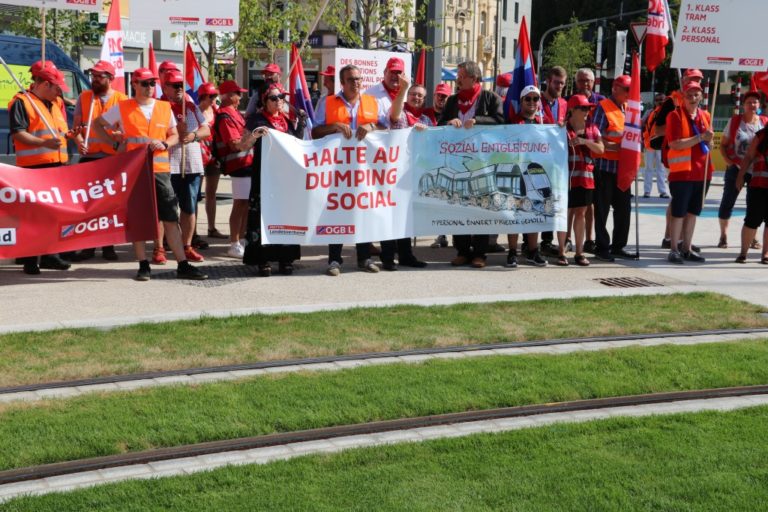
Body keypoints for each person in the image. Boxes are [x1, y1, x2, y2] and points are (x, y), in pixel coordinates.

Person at [93, 68, 207, 281]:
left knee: (170, 217)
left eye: (152, 83)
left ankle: (182, 264)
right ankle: (143, 265)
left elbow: (174, 134)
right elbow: (98, 124)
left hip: (160, 170)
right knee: (139, 219)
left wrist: (165, 143)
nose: (150, 87)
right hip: (135, 171)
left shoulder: (163, 107)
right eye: (145, 83)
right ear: (134, 84)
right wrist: (113, 143)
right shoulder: (123, 107)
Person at [312, 64, 390, 276]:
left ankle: (364, 258)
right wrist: (334, 126)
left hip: (365, 168)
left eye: (358, 79)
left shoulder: (372, 102)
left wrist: (371, 126)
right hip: (337, 168)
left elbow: (386, 126)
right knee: (336, 210)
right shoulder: (327, 102)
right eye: (351, 79)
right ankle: (334, 260)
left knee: (363, 209)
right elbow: (315, 132)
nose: (356, 82)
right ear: (342, 83)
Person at [439, 60, 504, 268]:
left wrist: (478, 120)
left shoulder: (490, 98)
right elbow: (440, 124)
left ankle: (480, 253)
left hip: (482, 162)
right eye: (458, 76)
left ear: (474, 78)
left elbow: (500, 121)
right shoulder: (452, 101)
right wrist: (449, 123)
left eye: (461, 76)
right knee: (459, 205)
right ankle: (462, 251)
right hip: (457, 161)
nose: (457, 80)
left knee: (482, 206)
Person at [8, 62, 72, 275]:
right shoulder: (22, 102)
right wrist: (44, 144)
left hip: (57, 165)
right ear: (45, 84)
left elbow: (60, 132)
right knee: (32, 216)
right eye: (57, 88)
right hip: (34, 168)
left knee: (52, 214)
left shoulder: (55, 103)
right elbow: (19, 133)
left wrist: (72, 135)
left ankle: (49, 255)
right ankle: (29, 259)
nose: (60, 92)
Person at [244, 83, 304, 276]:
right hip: (264, 176)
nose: (279, 101)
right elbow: (242, 145)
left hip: (284, 178)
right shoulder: (256, 119)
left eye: (281, 97)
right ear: (264, 101)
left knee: (284, 216)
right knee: (262, 216)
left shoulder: (287, 120)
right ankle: (263, 259)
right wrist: (255, 135)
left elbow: (297, 144)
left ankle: (286, 258)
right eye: (274, 98)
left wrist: (301, 124)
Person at [71, 60, 128, 262]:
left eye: (99, 76)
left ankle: (108, 245)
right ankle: (88, 246)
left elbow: (128, 130)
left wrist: (119, 137)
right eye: (93, 75)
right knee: (89, 205)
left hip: (112, 159)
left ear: (110, 78)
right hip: (89, 158)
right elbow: (76, 128)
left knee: (110, 205)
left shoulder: (122, 100)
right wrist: (79, 142)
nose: (94, 79)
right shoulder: (84, 97)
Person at [378, 74, 431, 271]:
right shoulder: (400, 112)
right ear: (407, 96)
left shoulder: (426, 119)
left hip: (414, 174)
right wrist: (403, 89)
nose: (416, 98)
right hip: (394, 172)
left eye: (420, 96)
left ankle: (406, 255)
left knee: (407, 216)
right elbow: (393, 117)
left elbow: (433, 143)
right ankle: (387, 256)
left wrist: (426, 134)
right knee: (390, 214)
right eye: (413, 94)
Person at [162, 70, 211, 263]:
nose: (179, 89)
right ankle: (161, 247)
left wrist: (193, 135)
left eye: (181, 85)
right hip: (168, 164)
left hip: (191, 163)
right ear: (165, 87)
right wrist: (175, 133)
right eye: (175, 85)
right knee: (165, 208)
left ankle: (187, 245)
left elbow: (206, 129)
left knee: (189, 207)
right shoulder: (161, 106)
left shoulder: (190, 105)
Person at [664, 80, 713, 264]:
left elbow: (709, 144)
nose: (693, 98)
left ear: (701, 96)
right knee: (678, 213)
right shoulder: (675, 116)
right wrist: (700, 137)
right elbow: (674, 144)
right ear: (682, 97)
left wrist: (708, 140)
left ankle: (687, 248)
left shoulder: (705, 115)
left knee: (693, 212)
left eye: (696, 94)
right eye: (689, 95)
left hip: (703, 172)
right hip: (682, 173)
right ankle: (674, 249)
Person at [655, 68, 704, 250]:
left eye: (698, 79)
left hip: (694, 162)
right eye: (691, 78)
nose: (695, 81)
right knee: (678, 201)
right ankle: (670, 238)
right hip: (676, 157)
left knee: (687, 204)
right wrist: (676, 125)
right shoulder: (671, 102)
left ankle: (684, 240)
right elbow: (657, 130)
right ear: (683, 80)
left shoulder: (700, 107)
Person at [212, 80, 261, 259]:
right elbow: (234, 144)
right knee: (240, 204)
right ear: (227, 96)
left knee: (245, 204)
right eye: (237, 93)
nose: (240, 97)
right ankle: (234, 243)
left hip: (246, 164)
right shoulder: (225, 115)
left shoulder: (233, 114)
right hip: (239, 165)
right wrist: (254, 137)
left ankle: (240, 240)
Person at [718, 89, 766, 249]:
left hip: (757, 171)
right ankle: (723, 235)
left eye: (755, 102)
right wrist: (730, 163)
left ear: (759, 105)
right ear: (743, 105)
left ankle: (753, 238)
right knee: (727, 202)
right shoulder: (735, 121)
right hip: (736, 168)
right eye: (749, 102)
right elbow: (723, 145)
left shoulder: (764, 122)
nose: (752, 105)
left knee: (755, 206)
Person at [505, 85, 547, 268]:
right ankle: (512, 252)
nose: (532, 102)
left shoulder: (544, 124)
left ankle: (533, 251)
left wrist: (560, 129)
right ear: (521, 101)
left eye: (535, 99)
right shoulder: (512, 123)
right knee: (514, 215)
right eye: (528, 99)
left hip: (535, 175)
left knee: (535, 212)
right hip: (516, 175)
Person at [592, 74, 633, 262]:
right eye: (627, 90)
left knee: (624, 210)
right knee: (602, 211)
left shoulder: (629, 108)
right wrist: (616, 147)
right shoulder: (603, 107)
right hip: (605, 168)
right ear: (615, 89)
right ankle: (601, 247)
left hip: (623, 169)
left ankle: (618, 246)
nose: (629, 94)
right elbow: (595, 137)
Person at [562, 94, 604, 266]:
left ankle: (579, 253)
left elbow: (601, 149)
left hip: (585, 179)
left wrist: (584, 141)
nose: (587, 111)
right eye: (583, 108)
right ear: (572, 110)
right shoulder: (562, 128)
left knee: (581, 213)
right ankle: (562, 251)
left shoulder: (592, 128)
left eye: (588, 108)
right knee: (564, 213)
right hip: (565, 179)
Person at [572, 68, 605, 254]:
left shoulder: (602, 101)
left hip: (597, 162)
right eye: (581, 80)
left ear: (594, 82)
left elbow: (603, 136)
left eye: (588, 81)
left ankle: (589, 239)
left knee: (590, 204)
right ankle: (567, 240)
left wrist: (589, 140)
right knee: (572, 206)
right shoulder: (570, 100)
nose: (585, 84)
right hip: (573, 164)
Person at [539, 66, 568, 256]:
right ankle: (529, 242)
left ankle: (547, 241)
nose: (559, 86)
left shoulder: (564, 104)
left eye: (562, 83)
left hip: (557, 161)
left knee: (552, 199)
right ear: (548, 81)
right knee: (537, 198)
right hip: (538, 158)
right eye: (556, 82)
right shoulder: (536, 100)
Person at [197, 82, 227, 241]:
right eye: (212, 96)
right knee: (195, 194)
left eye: (216, 95)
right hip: (198, 155)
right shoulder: (194, 112)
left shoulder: (217, 111)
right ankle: (192, 231)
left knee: (211, 193)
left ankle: (211, 227)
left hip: (214, 155)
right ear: (203, 96)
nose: (215, 98)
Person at [735, 124, 768, 263]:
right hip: (758, 185)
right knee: (752, 220)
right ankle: (743, 253)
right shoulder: (761, 135)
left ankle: (765, 254)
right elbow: (748, 156)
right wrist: (740, 176)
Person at [428, 83, 452, 249]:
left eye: (444, 96)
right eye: (439, 95)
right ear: (434, 96)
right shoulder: (425, 113)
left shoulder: (452, 114)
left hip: (446, 161)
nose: (441, 99)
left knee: (446, 197)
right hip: (428, 160)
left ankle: (443, 234)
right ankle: (440, 233)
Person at [641, 93, 670, 199]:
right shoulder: (649, 112)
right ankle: (647, 191)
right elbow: (641, 123)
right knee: (648, 168)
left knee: (661, 168)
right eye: (657, 100)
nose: (660, 102)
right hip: (649, 144)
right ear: (655, 102)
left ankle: (662, 191)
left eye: (662, 100)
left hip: (661, 145)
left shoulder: (669, 113)